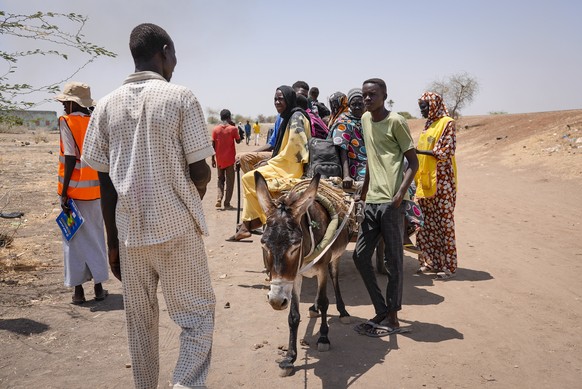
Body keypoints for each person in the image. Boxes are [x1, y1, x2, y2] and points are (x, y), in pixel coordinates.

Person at [82, 23, 215, 389]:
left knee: (140, 324)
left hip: (130, 234)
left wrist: (112, 243)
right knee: (197, 317)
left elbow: (104, 182)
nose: (175, 64)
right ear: (165, 51)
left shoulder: (106, 106)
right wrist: (190, 197)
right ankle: (185, 385)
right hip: (176, 231)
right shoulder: (180, 97)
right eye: (174, 57)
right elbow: (200, 170)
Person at [352, 78, 418, 337]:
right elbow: (372, 157)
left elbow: (413, 162)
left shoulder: (396, 121)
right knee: (359, 256)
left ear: (384, 96)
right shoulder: (366, 120)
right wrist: (364, 191)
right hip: (372, 201)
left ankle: (393, 317)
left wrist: (400, 194)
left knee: (393, 261)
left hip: (392, 203)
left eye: (372, 95)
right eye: (365, 95)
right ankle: (381, 308)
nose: (367, 99)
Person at [229, 85, 311, 241]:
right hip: (283, 164)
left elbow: (295, 152)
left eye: (281, 98)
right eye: (275, 99)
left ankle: (258, 221)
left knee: (250, 178)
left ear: (288, 99)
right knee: (250, 177)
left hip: (291, 168)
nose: (277, 102)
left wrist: (271, 161)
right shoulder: (288, 116)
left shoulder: (296, 117)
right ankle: (251, 223)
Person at [56, 82, 109, 305]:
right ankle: (98, 288)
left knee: (73, 240)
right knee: (96, 238)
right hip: (96, 191)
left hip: (74, 193)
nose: (63, 108)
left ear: (70, 102)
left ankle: (78, 292)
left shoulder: (66, 122)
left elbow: (69, 156)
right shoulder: (95, 122)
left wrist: (64, 192)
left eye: (64, 103)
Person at [414, 91, 458, 279]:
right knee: (426, 224)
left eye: (425, 107)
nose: (422, 110)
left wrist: (416, 151)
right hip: (426, 180)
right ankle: (429, 262)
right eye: (421, 107)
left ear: (434, 105)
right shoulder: (428, 125)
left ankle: (447, 266)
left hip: (442, 181)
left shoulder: (447, 123)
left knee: (443, 224)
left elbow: (445, 151)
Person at [329, 88, 366, 189]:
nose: (357, 107)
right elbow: (342, 150)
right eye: (354, 104)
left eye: (360, 104)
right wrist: (346, 176)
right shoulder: (343, 122)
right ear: (349, 105)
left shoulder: (367, 119)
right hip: (357, 166)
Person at [212, 109, 241, 209]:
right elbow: (238, 141)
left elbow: (213, 145)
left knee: (220, 179)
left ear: (220, 117)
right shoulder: (233, 129)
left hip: (219, 159)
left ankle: (219, 198)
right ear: (229, 117)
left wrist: (213, 159)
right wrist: (235, 127)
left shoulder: (215, 129)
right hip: (230, 160)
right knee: (230, 181)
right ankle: (227, 203)